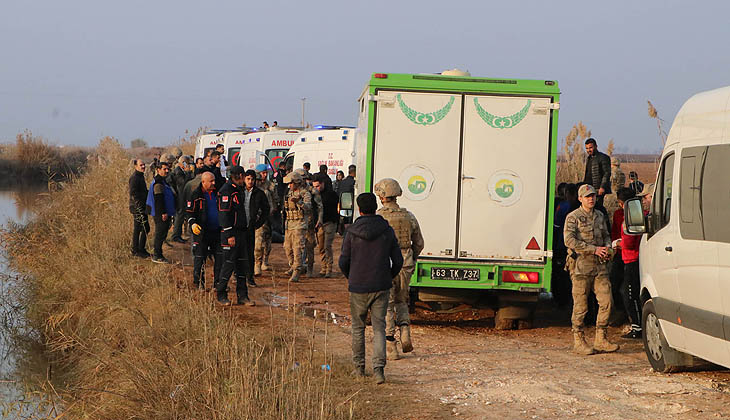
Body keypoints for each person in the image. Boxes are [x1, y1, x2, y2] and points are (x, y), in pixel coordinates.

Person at [339, 192, 403, 384]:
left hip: (358, 286)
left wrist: (352, 277)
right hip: (381, 286)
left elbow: (343, 261)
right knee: (379, 329)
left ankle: (359, 369)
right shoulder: (386, 230)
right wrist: (387, 276)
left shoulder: (351, 232)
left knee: (357, 328)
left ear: (359, 209)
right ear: (376, 207)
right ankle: (378, 372)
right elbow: (398, 260)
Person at [564, 184, 619, 355]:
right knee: (581, 306)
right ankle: (578, 340)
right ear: (580, 198)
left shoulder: (600, 216)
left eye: (593, 196)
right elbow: (569, 241)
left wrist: (608, 248)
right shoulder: (573, 217)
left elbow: (606, 236)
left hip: (600, 266)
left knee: (607, 302)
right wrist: (593, 249)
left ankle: (600, 338)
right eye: (587, 196)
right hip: (581, 267)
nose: (591, 199)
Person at [374, 178, 424, 360]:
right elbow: (419, 243)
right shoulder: (409, 216)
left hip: (385, 262)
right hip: (405, 261)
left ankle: (390, 346)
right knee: (403, 300)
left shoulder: (379, 217)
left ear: (382, 196)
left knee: (387, 304)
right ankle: (405, 332)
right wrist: (411, 257)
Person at [216, 166, 255, 306]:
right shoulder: (226, 191)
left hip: (241, 234)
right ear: (238, 176)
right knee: (228, 265)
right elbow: (224, 214)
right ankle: (221, 294)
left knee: (242, 266)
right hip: (230, 234)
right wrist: (229, 234)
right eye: (244, 176)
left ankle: (243, 296)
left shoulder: (238, 190)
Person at [613, 187, 642, 339]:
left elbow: (629, 242)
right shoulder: (638, 213)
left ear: (621, 203)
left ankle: (637, 327)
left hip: (632, 258)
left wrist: (618, 244)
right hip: (634, 258)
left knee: (630, 294)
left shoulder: (630, 217)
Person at [186, 172, 222, 290]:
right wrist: (193, 223)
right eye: (211, 181)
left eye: (214, 180)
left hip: (217, 231)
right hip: (201, 232)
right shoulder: (196, 195)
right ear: (203, 182)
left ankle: (217, 283)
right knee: (200, 258)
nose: (213, 183)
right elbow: (189, 212)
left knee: (219, 258)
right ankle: (199, 283)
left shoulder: (218, 193)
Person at [241, 169, 270, 287]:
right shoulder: (239, 191)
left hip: (251, 227)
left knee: (250, 252)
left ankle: (250, 277)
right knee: (237, 253)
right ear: (244, 179)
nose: (250, 181)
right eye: (248, 179)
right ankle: (237, 276)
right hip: (239, 226)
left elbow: (266, 209)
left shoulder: (259, 193)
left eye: (252, 179)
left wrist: (258, 223)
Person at [282, 171, 312, 283]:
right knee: (287, 247)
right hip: (289, 224)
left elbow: (308, 207)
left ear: (296, 182)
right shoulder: (289, 193)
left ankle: (297, 270)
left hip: (300, 224)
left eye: (291, 183)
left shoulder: (305, 193)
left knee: (297, 248)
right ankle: (293, 265)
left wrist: (299, 202)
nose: (289, 186)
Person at [552, 183, 579, 307]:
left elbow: (556, 226)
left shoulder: (563, 207)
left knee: (561, 274)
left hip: (562, 246)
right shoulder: (582, 208)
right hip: (577, 248)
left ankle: (561, 301)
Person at [146, 162, 175, 263]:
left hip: (164, 212)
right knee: (160, 233)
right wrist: (163, 213)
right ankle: (157, 255)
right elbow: (158, 199)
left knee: (162, 233)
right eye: (164, 169)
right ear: (158, 170)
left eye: (167, 169)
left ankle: (159, 253)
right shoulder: (158, 183)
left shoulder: (163, 181)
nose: (167, 171)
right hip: (160, 213)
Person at [297, 169, 323, 277]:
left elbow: (320, 207)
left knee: (309, 246)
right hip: (297, 222)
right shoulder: (294, 190)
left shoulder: (313, 191)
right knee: (295, 246)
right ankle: (297, 267)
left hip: (309, 223)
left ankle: (310, 268)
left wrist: (319, 219)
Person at [312, 176, 338, 277]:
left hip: (329, 222)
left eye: (318, 186)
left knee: (327, 246)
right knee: (321, 247)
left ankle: (329, 269)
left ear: (322, 183)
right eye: (314, 186)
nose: (316, 188)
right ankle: (323, 267)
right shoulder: (314, 195)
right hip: (319, 224)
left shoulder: (331, 194)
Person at [254, 164, 278, 275]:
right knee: (258, 241)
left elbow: (275, 200)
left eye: (265, 173)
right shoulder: (255, 186)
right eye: (262, 173)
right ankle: (257, 264)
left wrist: (273, 210)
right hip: (257, 217)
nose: (264, 175)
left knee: (267, 241)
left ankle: (265, 260)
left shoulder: (271, 186)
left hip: (268, 217)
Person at [582, 138, 612, 212]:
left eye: (591, 147)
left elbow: (607, 173)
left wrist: (602, 187)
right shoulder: (589, 158)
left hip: (600, 190)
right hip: (591, 189)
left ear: (596, 146)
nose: (589, 150)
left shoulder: (603, 157)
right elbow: (587, 174)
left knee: (600, 210)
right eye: (587, 148)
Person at [129, 159, 150, 258]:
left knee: (145, 228)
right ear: (135, 166)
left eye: (144, 165)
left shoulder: (140, 176)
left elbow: (142, 192)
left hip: (141, 206)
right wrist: (139, 207)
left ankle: (140, 249)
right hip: (137, 207)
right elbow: (133, 194)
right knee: (138, 228)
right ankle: (135, 250)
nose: (143, 167)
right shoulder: (134, 178)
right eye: (141, 165)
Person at [171, 155, 192, 243]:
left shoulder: (180, 171)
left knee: (180, 216)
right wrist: (188, 173)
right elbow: (183, 184)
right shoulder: (178, 171)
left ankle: (178, 235)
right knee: (179, 216)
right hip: (180, 196)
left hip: (182, 196)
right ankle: (176, 236)